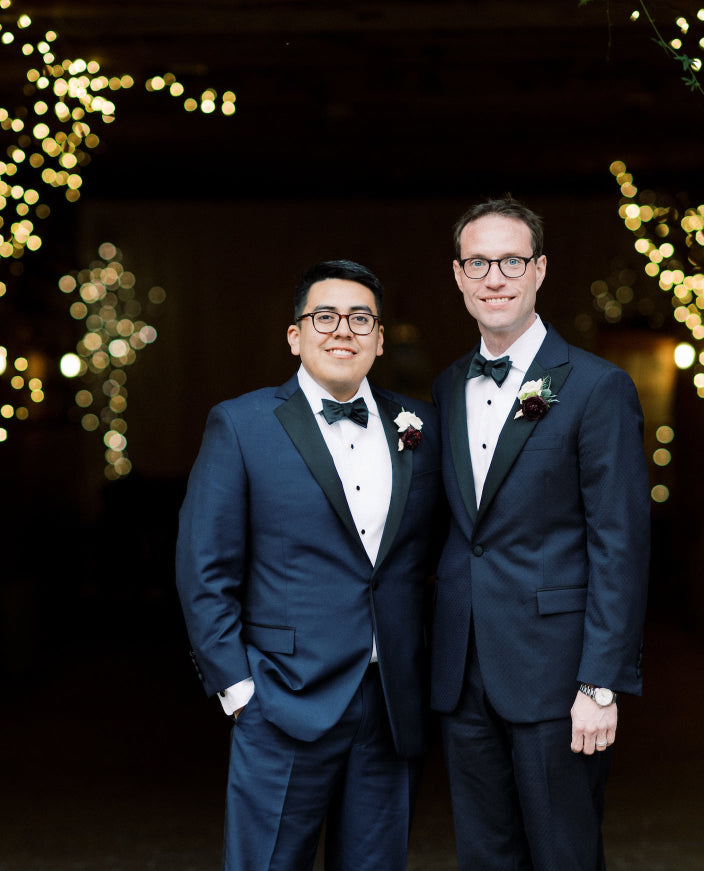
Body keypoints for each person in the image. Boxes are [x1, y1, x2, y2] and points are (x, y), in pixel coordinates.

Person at [176, 259, 443, 871]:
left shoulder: (421, 425)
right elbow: (204, 567)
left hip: (391, 704)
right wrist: (238, 689)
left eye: (360, 318)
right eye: (325, 317)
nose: (342, 330)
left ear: (380, 338)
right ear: (295, 335)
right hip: (281, 698)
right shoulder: (241, 424)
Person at [431, 196, 650, 870]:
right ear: (459, 275)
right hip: (464, 672)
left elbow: (619, 543)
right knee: (485, 856)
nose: (494, 278)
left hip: (558, 676)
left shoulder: (596, 387)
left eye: (511, 261)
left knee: (564, 855)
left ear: (540, 270)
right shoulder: (446, 387)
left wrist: (600, 683)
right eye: (478, 263)